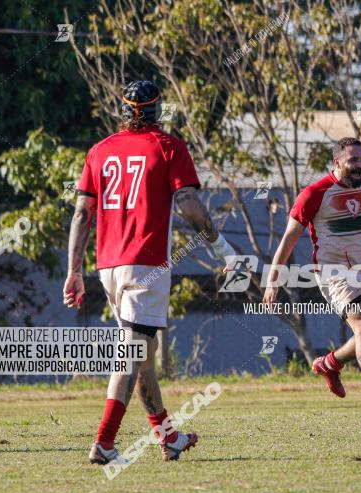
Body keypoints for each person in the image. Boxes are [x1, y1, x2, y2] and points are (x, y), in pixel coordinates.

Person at [64, 80, 236, 464]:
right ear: (158, 111)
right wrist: (222, 248)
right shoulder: (169, 147)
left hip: (108, 266)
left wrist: (74, 270)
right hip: (146, 265)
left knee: (144, 353)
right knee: (132, 352)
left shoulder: (100, 151)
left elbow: (81, 213)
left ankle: (168, 436)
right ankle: (104, 442)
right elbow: (189, 206)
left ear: (122, 111)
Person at [263, 137, 361, 415]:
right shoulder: (314, 194)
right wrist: (272, 280)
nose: (359, 166)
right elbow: (288, 240)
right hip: (333, 272)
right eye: (353, 160)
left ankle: (330, 363)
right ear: (337, 162)